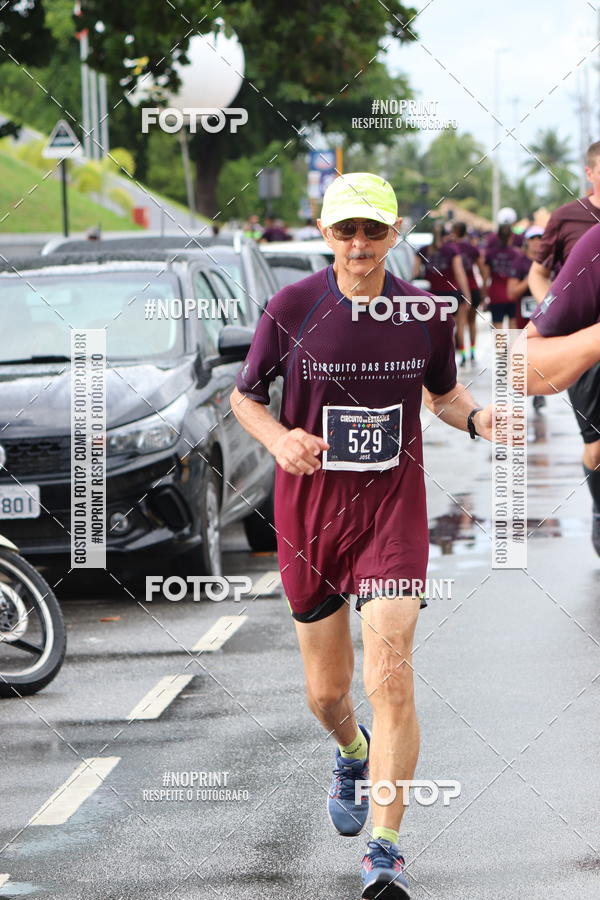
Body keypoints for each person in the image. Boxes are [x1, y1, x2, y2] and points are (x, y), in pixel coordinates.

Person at [230, 172, 497, 899]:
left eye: (372, 230)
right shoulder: (292, 305)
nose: (358, 244)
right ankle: (351, 751)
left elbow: (442, 395)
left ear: (393, 232)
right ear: (323, 230)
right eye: (345, 229)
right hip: (310, 514)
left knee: (391, 676)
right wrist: (281, 437)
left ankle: (385, 849)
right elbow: (245, 396)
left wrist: (477, 419)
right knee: (328, 693)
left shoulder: (421, 312)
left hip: (391, 514)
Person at [527, 140, 600, 552]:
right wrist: (552, 311)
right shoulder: (572, 221)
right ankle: (599, 509)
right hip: (581, 345)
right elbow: (539, 273)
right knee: (597, 445)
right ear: (589, 173)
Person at [412, 222, 472, 367]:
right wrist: (467, 295)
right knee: (456, 327)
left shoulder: (423, 250)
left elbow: (414, 273)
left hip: (430, 295)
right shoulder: (452, 250)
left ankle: (434, 360)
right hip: (451, 295)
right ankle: (459, 357)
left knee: (433, 329)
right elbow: (459, 273)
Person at [507, 225, 546, 411]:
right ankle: (521, 388)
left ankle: (538, 393)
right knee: (521, 355)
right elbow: (511, 292)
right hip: (522, 318)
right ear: (527, 242)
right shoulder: (519, 262)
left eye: (540, 238)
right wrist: (532, 278)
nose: (537, 242)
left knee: (541, 353)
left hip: (544, 316)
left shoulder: (549, 261)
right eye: (533, 239)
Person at [450, 221, 487, 365]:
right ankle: (472, 352)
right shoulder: (472, 248)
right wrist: (484, 288)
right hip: (473, 287)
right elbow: (482, 269)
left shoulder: (451, 248)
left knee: (459, 323)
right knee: (472, 322)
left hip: (456, 288)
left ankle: (463, 355)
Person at [482, 222, 521, 329]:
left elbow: (486, 276)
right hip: (513, 293)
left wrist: (484, 294)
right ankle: (514, 346)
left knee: (497, 327)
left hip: (495, 294)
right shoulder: (517, 254)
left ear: (497, 236)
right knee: (513, 325)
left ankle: (499, 346)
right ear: (511, 236)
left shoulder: (490, 253)